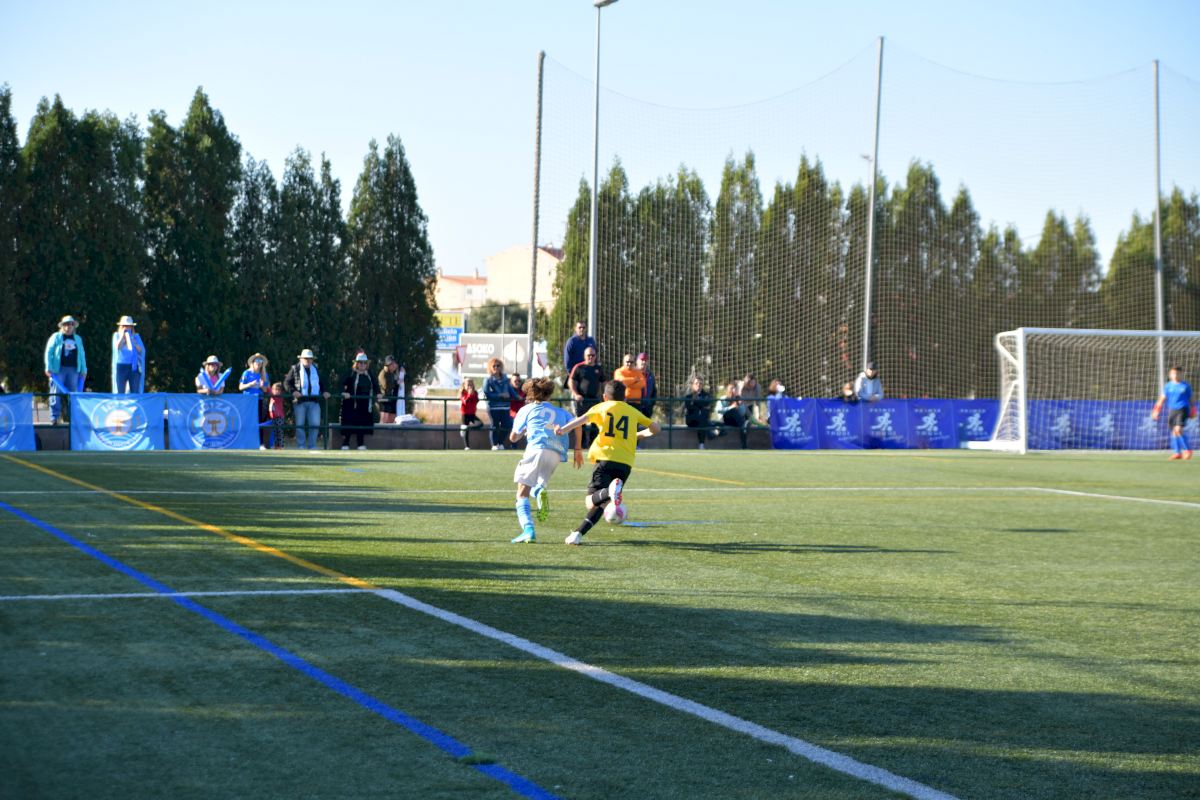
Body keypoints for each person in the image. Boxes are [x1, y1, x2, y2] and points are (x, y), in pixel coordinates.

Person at [554, 380, 660, 545]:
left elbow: (581, 420)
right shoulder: (632, 410)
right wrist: (639, 435)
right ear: (624, 398)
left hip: (605, 459)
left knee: (590, 502)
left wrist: (562, 430)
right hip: (625, 463)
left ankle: (608, 492)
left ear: (605, 397)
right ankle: (577, 534)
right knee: (602, 504)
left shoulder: (601, 407)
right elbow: (656, 428)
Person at [507, 377, 584, 543]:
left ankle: (528, 530)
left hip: (537, 449)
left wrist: (524, 430)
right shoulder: (561, 412)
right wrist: (578, 448)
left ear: (530, 393)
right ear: (549, 394)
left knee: (521, 493)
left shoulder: (526, 409)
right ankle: (538, 491)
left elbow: (513, 437)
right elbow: (578, 424)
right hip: (556, 453)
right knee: (536, 485)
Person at [284, 348, 330, 450]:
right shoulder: (295, 369)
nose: (308, 360)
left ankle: (312, 445)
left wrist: (324, 391)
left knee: (315, 424)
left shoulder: (316, 369)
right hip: (300, 402)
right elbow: (287, 382)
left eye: (310, 359)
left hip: (314, 401)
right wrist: (293, 392)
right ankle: (301, 445)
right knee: (299, 425)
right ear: (301, 359)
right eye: (305, 358)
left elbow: (322, 383)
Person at [44, 315, 87, 424]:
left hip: (74, 370)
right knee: (55, 393)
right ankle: (55, 417)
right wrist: (48, 367)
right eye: (66, 324)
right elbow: (49, 352)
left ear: (74, 326)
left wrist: (84, 370)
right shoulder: (56, 337)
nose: (68, 327)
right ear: (62, 326)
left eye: (71, 324)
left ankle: (73, 418)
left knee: (73, 394)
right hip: (58, 370)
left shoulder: (78, 339)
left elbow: (82, 354)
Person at [1152, 365, 1196, 460]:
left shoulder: (1185, 386)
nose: (1175, 375)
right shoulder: (1168, 386)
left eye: (1177, 373)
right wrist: (1156, 410)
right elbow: (1162, 399)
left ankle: (1188, 450)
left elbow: (1191, 398)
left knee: (1178, 429)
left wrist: (1194, 410)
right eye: (1173, 373)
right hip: (1172, 410)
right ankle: (1177, 453)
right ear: (1170, 375)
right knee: (1174, 432)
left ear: (1181, 374)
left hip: (1183, 409)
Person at [340, 352, 381, 450]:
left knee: (362, 423)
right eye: (360, 363)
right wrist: (343, 393)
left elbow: (375, 385)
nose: (362, 365)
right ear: (356, 363)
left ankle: (360, 443)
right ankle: (345, 443)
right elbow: (341, 383)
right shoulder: (351, 373)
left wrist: (379, 393)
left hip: (365, 403)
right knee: (349, 422)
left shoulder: (369, 374)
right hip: (351, 403)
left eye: (364, 363)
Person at [567, 346, 605, 447]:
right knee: (581, 424)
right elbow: (571, 381)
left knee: (596, 424)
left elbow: (604, 383)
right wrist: (576, 394)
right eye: (589, 355)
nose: (591, 357)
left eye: (593, 355)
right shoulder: (578, 367)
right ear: (584, 356)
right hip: (582, 401)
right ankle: (581, 445)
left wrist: (604, 396)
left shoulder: (598, 368)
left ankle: (594, 445)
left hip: (595, 401)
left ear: (596, 356)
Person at [483, 357, 519, 450]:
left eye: (498, 365)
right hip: (493, 407)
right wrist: (500, 395)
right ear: (490, 367)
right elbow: (487, 393)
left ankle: (500, 442)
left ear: (501, 367)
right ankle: (494, 444)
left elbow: (511, 390)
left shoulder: (505, 378)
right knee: (494, 426)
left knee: (507, 425)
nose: (496, 367)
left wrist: (518, 397)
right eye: (494, 366)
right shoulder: (488, 379)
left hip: (505, 406)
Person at [239, 353, 271, 450]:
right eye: (257, 361)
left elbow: (266, 390)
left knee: (260, 422)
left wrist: (262, 386)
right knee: (247, 421)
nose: (259, 363)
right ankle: (245, 442)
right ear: (252, 362)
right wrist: (250, 384)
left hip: (259, 400)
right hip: (248, 401)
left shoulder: (265, 375)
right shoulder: (246, 373)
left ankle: (261, 444)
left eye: (260, 361)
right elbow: (240, 387)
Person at [111, 315, 145, 394]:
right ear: (121, 326)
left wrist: (133, 342)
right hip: (121, 366)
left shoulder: (136, 337)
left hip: (133, 366)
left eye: (128, 326)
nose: (126, 328)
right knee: (120, 391)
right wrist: (123, 337)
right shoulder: (116, 335)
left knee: (135, 391)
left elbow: (141, 351)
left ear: (132, 327)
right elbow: (117, 347)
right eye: (124, 326)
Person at [683, 377, 717, 449]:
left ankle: (701, 444)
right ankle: (709, 432)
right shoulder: (688, 396)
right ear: (693, 385)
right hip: (692, 420)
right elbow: (689, 407)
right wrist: (701, 404)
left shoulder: (706, 395)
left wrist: (695, 402)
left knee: (702, 419)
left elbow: (707, 403)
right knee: (703, 416)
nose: (698, 385)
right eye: (696, 383)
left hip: (702, 420)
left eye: (700, 383)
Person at [716, 380, 749, 447]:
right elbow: (719, 411)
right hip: (725, 420)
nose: (736, 390)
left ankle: (744, 444)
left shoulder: (738, 399)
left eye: (736, 389)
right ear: (730, 390)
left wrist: (740, 405)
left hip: (736, 421)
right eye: (734, 388)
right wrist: (730, 407)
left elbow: (742, 413)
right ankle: (744, 426)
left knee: (741, 420)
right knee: (733, 411)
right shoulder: (723, 398)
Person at [459, 378, 484, 449]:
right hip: (465, 414)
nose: (470, 386)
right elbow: (465, 402)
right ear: (464, 386)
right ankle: (467, 446)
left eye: (471, 385)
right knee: (466, 433)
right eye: (468, 385)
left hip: (472, 414)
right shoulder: (462, 392)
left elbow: (476, 401)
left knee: (480, 424)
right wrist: (469, 394)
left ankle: (466, 428)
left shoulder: (475, 392)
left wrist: (473, 395)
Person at [378, 355, 402, 424]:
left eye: (394, 364)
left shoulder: (392, 373)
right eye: (392, 364)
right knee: (384, 420)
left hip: (390, 399)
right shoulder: (383, 373)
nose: (394, 366)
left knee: (391, 419)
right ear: (388, 365)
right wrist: (396, 382)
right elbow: (386, 387)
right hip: (384, 399)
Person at [637, 352, 657, 419]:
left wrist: (652, 403)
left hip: (647, 407)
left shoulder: (650, 375)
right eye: (642, 360)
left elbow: (654, 391)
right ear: (637, 361)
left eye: (645, 360)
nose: (644, 362)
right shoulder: (633, 373)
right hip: (636, 406)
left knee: (647, 425)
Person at [268, 382, 286, 449]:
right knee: (274, 431)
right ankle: (275, 445)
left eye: (279, 390)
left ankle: (281, 446)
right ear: (272, 390)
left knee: (280, 431)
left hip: (280, 416)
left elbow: (284, 389)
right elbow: (268, 388)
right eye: (275, 390)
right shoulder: (271, 395)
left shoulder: (280, 397)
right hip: (273, 417)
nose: (277, 391)